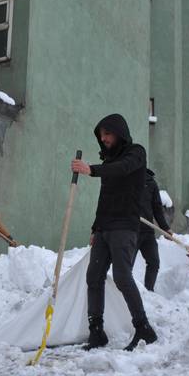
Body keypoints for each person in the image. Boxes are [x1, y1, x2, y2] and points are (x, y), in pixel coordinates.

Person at [71, 113, 158, 351]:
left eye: (108, 133)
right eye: (101, 135)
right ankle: (96, 331)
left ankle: (143, 327)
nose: (104, 138)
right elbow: (104, 200)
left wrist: (91, 170)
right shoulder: (108, 163)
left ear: (119, 133)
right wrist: (95, 227)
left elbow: (123, 168)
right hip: (104, 228)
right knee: (93, 276)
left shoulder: (136, 153)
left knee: (121, 276)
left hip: (125, 227)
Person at [135, 168, 171, 292]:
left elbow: (157, 208)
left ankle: (148, 291)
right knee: (125, 267)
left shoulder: (150, 182)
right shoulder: (125, 179)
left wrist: (165, 228)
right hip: (130, 231)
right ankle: (124, 293)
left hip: (147, 231)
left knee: (154, 263)